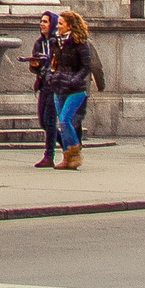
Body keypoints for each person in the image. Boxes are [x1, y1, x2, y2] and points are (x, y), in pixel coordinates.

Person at [46, 10, 94, 169]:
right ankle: (67, 157)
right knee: (62, 122)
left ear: (69, 26)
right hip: (59, 86)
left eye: (60, 23)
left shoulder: (80, 43)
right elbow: (53, 63)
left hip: (75, 89)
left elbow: (86, 66)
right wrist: (50, 76)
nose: (57, 26)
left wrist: (75, 79)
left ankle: (74, 153)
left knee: (65, 120)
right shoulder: (56, 41)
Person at [26, 11, 64, 167]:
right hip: (43, 85)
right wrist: (34, 66)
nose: (42, 24)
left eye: (45, 22)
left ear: (52, 24)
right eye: (41, 21)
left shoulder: (58, 43)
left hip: (55, 86)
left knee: (49, 121)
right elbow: (36, 67)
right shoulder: (38, 43)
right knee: (43, 121)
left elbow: (60, 64)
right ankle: (69, 144)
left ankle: (49, 156)